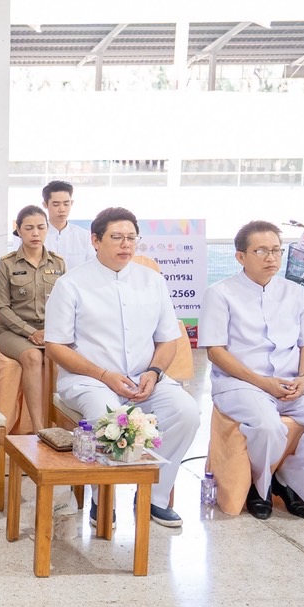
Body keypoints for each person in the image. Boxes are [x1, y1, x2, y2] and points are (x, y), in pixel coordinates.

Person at [46, 207, 198, 528]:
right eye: (116, 237)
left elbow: (168, 339)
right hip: (90, 380)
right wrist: (103, 375)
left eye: (131, 238)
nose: (125, 244)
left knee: (186, 413)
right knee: (108, 416)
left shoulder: (152, 281)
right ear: (95, 240)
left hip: (146, 380)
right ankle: (103, 499)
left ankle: (155, 497)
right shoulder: (71, 284)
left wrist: (154, 373)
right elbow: (56, 345)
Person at [202, 220, 304, 521]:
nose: (271, 257)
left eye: (276, 250)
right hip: (240, 383)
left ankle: (288, 481)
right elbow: (215, 351)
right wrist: (263, 382)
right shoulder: (220, 294)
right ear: (240, 256)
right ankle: (259, 487)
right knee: (269, 427)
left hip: (290, 383)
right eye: (261, 250)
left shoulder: (295, 292)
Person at [0, 206, 67, 434]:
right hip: (12, 333)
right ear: (18, 230)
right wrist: (30, 332)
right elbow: (2, 308)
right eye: (29, 228)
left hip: (50, 330)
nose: (36, 233)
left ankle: (60, 424)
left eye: (41, 227)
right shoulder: (7, 264)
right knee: (34, 357)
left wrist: (51, 331)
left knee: (62, 357)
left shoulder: (58, 263)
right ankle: (38, 428)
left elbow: (65, 304)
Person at [40, 180, 94, 264]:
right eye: (56, 204)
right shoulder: (37, 236)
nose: (62, 209)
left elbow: (91, 266)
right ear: (45, 204)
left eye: (66, 204)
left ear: (71, 203)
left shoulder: (84, 236)